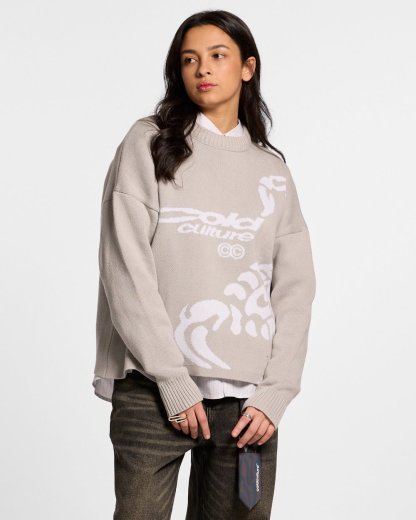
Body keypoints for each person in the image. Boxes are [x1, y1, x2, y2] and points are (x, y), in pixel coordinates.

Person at [92, 9, 316, 520]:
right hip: (153, 390)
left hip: (247, 407)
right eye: (189, 59)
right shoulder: (148, 142)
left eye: (218, 55)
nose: (203, 69)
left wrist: (276, 394)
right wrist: (171, 380)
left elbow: (295, 290)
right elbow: (125, 267)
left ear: (248, 68)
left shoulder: (271, 171)